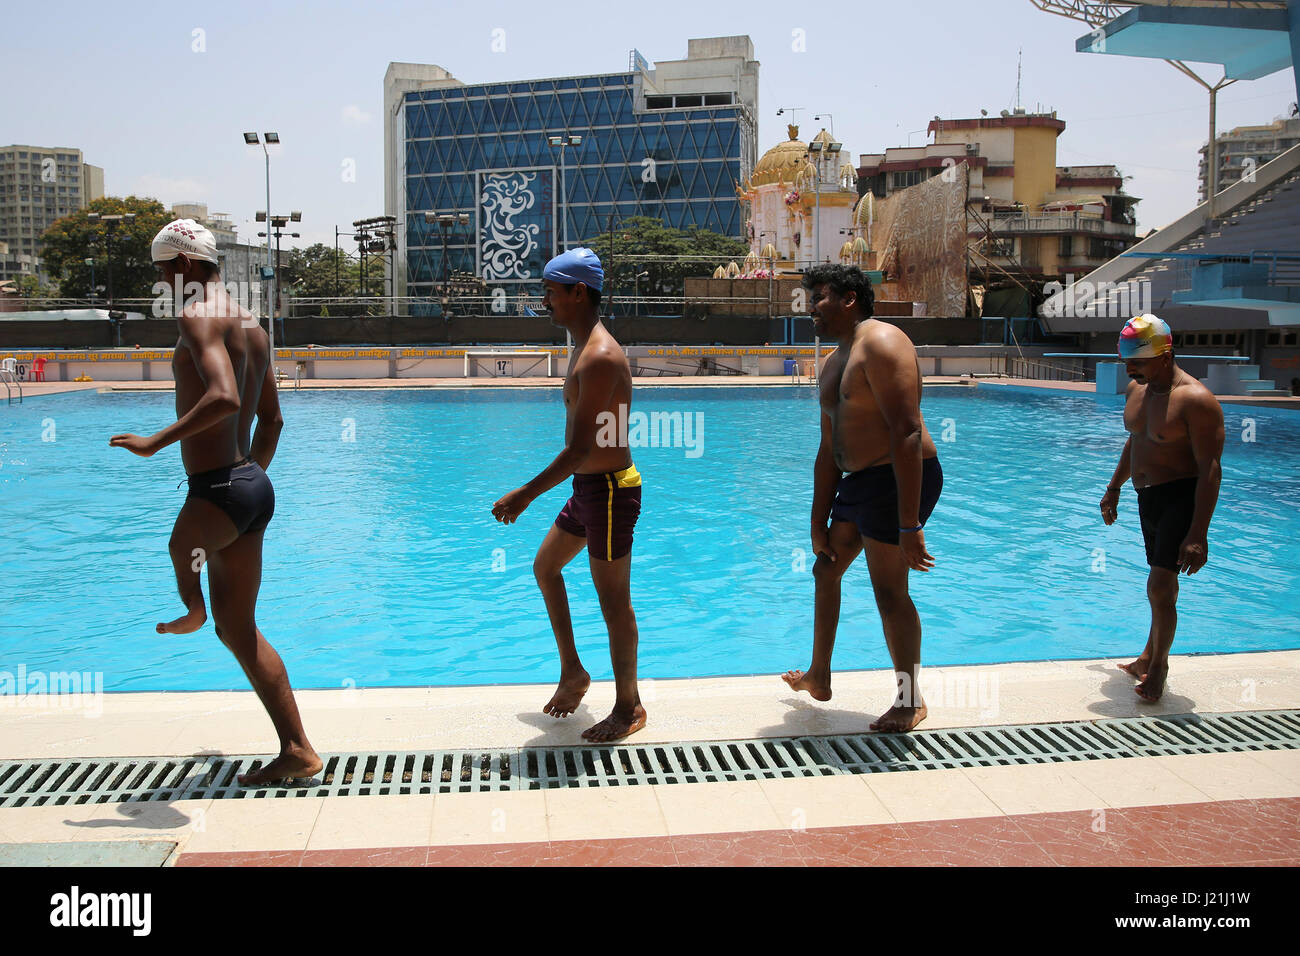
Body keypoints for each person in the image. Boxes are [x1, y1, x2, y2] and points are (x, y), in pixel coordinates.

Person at [110, 219, 321, 785]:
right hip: (248, 483)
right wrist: (249, 481)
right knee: (240, 630)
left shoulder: (198, 313)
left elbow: (224, 397)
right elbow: (271, 418)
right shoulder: (251, 323)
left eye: (161, 270)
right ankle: (297, 750)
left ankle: (193, 609)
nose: (160, 281)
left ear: (182, 264)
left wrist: (155, 442)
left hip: (222, 486)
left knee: (182, 548)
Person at [492, 248, 645, 742]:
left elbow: (580, 449)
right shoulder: (583, 347)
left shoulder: (598, 357)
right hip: (589, 489)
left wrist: (526, 494)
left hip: (607, 491)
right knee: (546, 566)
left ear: (578, 293)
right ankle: (574, 672)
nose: (546, 301)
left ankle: (630, 707)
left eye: (552, 293)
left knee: (613, 602)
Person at [782, 264, 943, 732]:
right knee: (825, 567)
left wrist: (910, 524)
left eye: (820, 297)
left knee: (890, 592)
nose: (812, 306)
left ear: (850, 298)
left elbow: (907, 430)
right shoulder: (834, 361)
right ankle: (819, 674)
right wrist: (816, 521)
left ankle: (911, 700)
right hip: (858, 483)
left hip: (897, 478)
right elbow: (827, 449)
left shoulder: (883, 342)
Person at [1101, 314, 1224, 702]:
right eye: (1126, 361)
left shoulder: (1196, 400)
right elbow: (1136, 441)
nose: (1129, 368)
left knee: (1160, 587)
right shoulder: (1137, 390)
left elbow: (1210, 470)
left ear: (1165, 354)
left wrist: (1198, 535)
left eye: (1137, 361)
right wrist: (1114, 487)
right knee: (1157, 586)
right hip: (1146, 497)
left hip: (1179, 497)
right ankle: (1147, 655)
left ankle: (1158, 668)